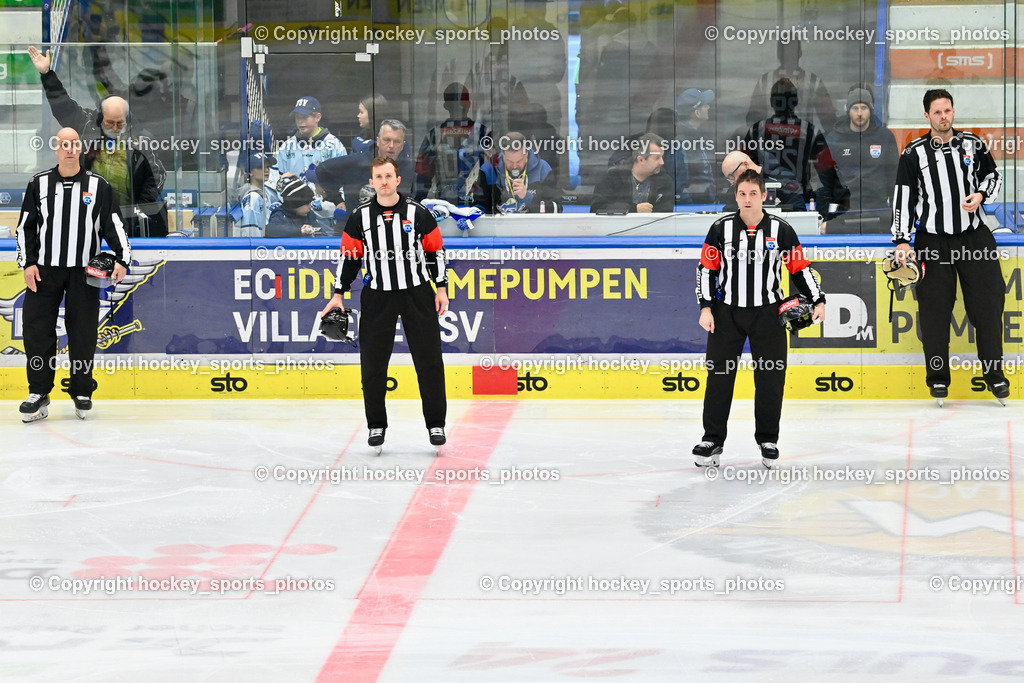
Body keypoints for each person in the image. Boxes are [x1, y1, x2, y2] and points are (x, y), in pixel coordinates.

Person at [693, 169, 825, 468]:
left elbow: (800, 269)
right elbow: (705, 269)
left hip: (768, 315)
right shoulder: (720, 228)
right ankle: (712, 439)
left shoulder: (781, 230)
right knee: (719, 377)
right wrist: (705, 307)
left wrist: (819, 299)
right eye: (742, 194)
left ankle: (768, 439)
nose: (748, 199)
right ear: (735, 196)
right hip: (726, 314)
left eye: (754, 193)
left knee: (770, 378)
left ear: (764, 196)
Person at [320, 156, 449, 451]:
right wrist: (338, 293)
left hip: (417, 293)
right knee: (373, 364)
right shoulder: (359, 217)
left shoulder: (418, 213)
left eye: (389, 176)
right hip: (378, 296)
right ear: (371, 181)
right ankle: (376, 424)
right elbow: (349, 257)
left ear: (398, 180)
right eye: (379, 177)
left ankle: (436, 424)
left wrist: (440, 287)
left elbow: (435, 252)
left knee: (429, 361)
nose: (384, 181)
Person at [891, 88, 1008, 404]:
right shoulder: (913, 153)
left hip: (974, 238)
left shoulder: (972, 144)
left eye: (948, 110)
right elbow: (904, 198)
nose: (944, 117)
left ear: (953, 112)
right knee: (934, 311)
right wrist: (902, 239)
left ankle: (994, 376)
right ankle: (938, 379)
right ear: (926, 116)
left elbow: (993, 178)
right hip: (932, 240)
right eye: (938, 112)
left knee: (988, 306)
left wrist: (981, 196)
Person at [15, 127, 131, 422]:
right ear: (56, 148)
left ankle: (82, 390)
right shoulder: (38, 184)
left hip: (83, 273)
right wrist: (28, 263)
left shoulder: (98, 185)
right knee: (37, 332)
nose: (69, 149)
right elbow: (25, 227)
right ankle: (38, 392)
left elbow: (113, 225)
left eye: (74, 144)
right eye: (63, 144)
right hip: (44, 271)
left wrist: (123, 258)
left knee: (82, 332)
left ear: (80, 148)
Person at [28, 45, 168, 237]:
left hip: (129, 221)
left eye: (120, 123)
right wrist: (47, 74)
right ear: (101, 118)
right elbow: (63, 106)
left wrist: (137, 210)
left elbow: (155, 178)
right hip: (88, 218)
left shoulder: (141, 142)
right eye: (110, 123)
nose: (115, 127)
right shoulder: (87, 126)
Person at [742, 78, 845, 215]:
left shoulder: (756, 130)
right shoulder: (809, 131)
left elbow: (742, 169)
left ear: (772, 102)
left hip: (762, 201)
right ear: (795, 102)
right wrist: (841, 200)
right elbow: (827, 171)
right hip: (797, 200)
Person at [825, 86, 899, 233]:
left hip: (878, 210)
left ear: (870, 110)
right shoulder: (833, 140)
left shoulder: (885, 137)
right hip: (843, 213)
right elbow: (825, 182)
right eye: (855, 108)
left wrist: (897, 215)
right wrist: (823, 216)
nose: (859, 113)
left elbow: (894, 178)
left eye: (864, 107)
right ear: (848, 110)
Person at [414, 82, 492, 205]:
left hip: (475, 205)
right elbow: (422, 178)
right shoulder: (483, 133)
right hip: (448, 205)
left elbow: (422, 180)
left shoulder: (434, 135)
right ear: (469, 104)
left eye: (461, 102)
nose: (459, 106)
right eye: (456, 102)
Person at [315, 119, 415, 210]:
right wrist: (337, 200)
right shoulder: (357, 161)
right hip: (358, 225)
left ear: (403, 145)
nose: (391, 146)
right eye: (387, 140)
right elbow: (322, 170)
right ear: (378, 141)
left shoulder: (409, 168)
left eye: (397, 141)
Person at [473, 131, 557, 214]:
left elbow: (555, 209)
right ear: (503, 154)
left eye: (519, 161)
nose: (515, 166)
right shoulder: (489, 170)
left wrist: (526, 197)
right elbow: (480, 204)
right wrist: (472, 214)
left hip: (532, 226)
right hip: (500, 226)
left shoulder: (543, 169)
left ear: (526, 153)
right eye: (509, 161)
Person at [590, 133, 673, 213]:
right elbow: (597, 208)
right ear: (641, 160)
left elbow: (666, 213)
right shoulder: (613, 177)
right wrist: (633, 209)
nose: (662, 162)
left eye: (662, 157)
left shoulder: (664, 182)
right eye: (657, 158)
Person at [274, 96, 347, 178]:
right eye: (297, 117)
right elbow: (276, 179)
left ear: (317, 117)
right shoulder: (287, 146)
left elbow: (342, 179)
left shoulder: (334, 145)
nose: (300, 121)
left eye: (304, 117)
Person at [676, 88, 716, 204]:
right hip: (694, 207)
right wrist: (692, 207)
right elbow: (682, 182)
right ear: (697, 113)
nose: (708, 107)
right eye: (704, 105)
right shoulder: (684, 142)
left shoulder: (696, 137)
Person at [237, 151, 281, 237]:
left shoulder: (267, 192)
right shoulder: (252, 198)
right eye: (260, 167)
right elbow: (251, 233)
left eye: (267, 167)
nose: (266, 170)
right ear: (250, 172)